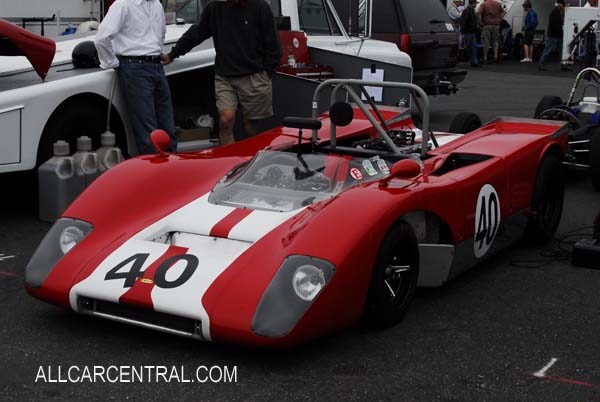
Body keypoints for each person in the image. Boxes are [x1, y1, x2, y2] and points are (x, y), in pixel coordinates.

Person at [162, 0, 281, 146]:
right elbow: (196, 33)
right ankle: (229, 158)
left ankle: (253, 156)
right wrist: (173, 54)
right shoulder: (215, 7)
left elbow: (273, 44)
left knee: (250, 126)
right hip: (225, 76)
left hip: (254, 75)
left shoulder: (260, 7)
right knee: (225, 120)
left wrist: (267, 72)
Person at [94, 0, 177, 155]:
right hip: (137, 66)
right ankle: (156, 167)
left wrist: (113, 62)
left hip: (149, 64)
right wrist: (113, 63)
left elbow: (161, 33)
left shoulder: (156, 5)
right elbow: (102, 37)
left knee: (165, 126)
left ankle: (168, 164)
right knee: (149, 129)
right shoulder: (123, 4)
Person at [538, 0, 566, 71]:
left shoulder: (556, 12)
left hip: (555, 35)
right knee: (549, 50)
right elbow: (554, 25)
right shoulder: (555, 13)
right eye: (563, 6)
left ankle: (563, 65)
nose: (564, 8)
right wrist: (561, 32)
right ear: (560, 5)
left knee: (559, 51)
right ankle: (541, 64)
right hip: (554, 35)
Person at [461, 0, 480, 67]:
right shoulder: (468, 10)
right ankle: (473, 61)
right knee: (471, 47)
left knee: (471, 47)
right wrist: (463, 32)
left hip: (470, 31)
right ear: (473, 3)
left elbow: (463, 21)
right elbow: (464, 22)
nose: (476, 5)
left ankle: (474, 61)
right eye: (475, 3)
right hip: (468, 31)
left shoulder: (469, 10)